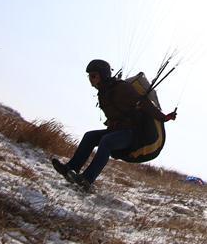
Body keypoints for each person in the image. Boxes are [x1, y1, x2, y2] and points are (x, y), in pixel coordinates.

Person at [51, 59, 177, 190]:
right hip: (117, 131)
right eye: (89, 76)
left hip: (132, 134)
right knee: (90, 136)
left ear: (103, 75)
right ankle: (70, 169)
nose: (90, 79)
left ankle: (86, 180)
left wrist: (164, 117)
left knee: (107, 141)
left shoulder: (121, 87)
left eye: (93, 76)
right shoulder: (103, 92)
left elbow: (144, 103)